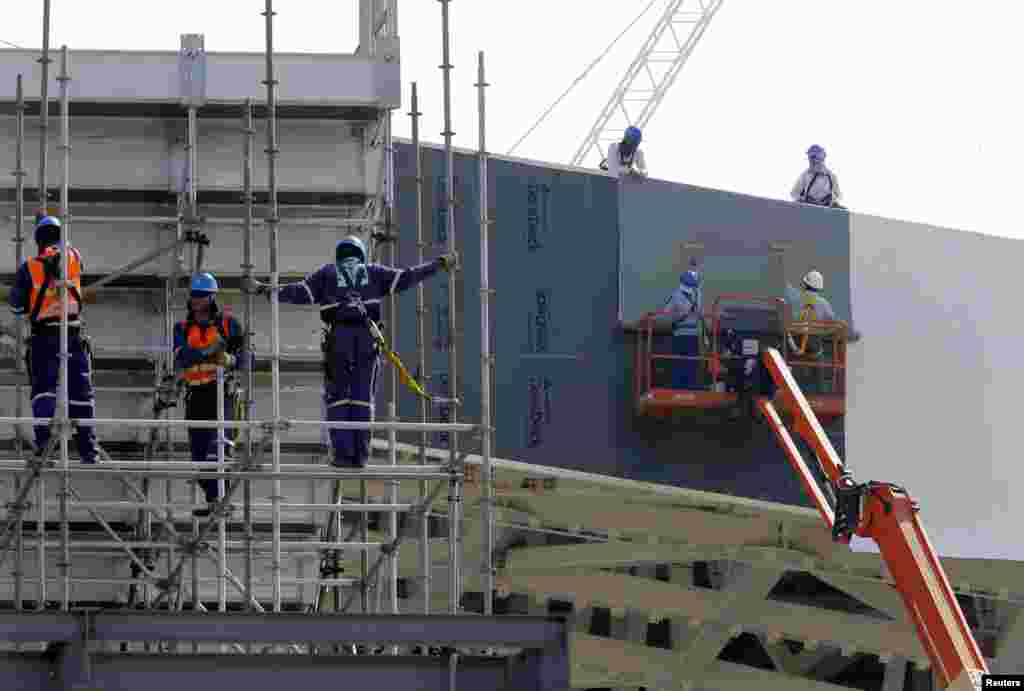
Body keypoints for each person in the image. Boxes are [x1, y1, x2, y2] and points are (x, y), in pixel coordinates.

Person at [249, 236, 455, 468]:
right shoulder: (374, 272)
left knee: (338, 397)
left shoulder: (327, 273)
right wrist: (438, 264)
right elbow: (407, 276)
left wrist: (264, 290)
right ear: (361, 254)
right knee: (363, 398)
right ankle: (359, 457)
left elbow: (298, 292)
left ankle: (343, 455)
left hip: (339, 339)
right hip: (369, 337)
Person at [7, 215, 98, 463]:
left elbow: (15, 307)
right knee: (81, 391)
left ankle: (45, 445)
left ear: (37, 239)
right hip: (73, 333)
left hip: (45, 336)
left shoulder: (30, 267)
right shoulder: (74, 258)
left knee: (43, 391)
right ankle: (88, 448)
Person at [173, 272, 247, 517]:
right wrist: (209, 351)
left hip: (221, 393)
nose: (197, 300)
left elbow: (246, 360)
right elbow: (183, 357)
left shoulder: (229, 324)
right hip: (196, 394)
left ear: (211, 297)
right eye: (194, 295)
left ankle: (218, 501)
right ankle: (214, 498)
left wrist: (228, 358)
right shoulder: (182, 327)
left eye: (202, 296)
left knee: (219, 448)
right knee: (199, 454)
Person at [661, 263, 703, 390]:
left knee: (684, 364)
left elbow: (665, 312)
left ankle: (683, 388)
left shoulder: (680, 294)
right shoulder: (694, 295)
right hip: (687, 334)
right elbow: (699, 312)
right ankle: (686, 388)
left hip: (685, 334)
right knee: (686, 365)